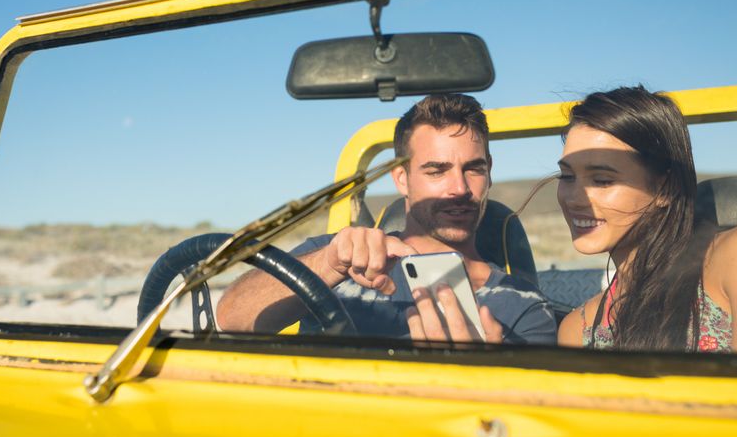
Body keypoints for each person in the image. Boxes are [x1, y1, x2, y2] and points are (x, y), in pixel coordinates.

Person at [216, 93, 557, 344]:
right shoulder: (335, 257)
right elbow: (233, 318)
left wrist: (487, 374)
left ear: (489, 172)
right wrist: (329, 264)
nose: (459, 188)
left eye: (473, 169)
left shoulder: (523, 305)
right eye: (436, 170)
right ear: (401, 179)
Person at [556, 85, 737, 354]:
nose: (575, 198)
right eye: (567, 177)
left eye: (602, 180)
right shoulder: (576, 330)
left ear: (665, 188)